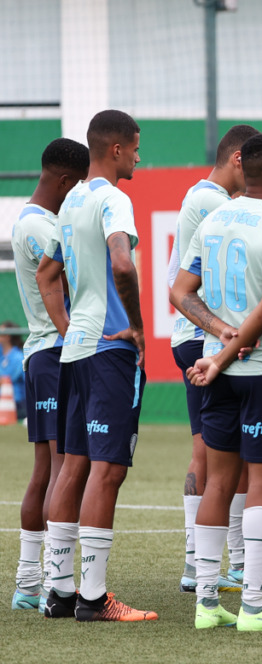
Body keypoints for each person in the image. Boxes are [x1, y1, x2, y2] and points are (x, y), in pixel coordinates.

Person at [173, 133, 262, 630]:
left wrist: (217, 337)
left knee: (221, 480)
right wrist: (232, 346)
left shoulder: (213, 218)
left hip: (215, 369)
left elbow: (180, 291)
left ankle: (207, 604)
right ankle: (255, 604)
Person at [38, 109, 153, 622]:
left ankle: (60, 593)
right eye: (134, 148)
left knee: (74, 464)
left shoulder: (70, 202)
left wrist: (67, 326)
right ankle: (92, 598)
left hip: (77, 347)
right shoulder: (112, 197)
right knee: (106, 470)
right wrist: (136, 325)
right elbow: (123, 262)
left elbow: (48, 273)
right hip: (110, 348)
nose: (138, 156)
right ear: (115, 150)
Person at [168, 123, 257, 593]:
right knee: (212, 450)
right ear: (239, 159)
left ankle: (208, 560)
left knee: (217, 450)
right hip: (203, 333)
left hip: (202, 332)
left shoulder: (202, 198)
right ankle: (199, 561)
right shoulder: (211, 202)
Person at [9, 138, 88, 611]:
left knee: (46, 468)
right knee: (63, 467)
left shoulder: (30, 218)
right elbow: (69, 286)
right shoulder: (42, 226)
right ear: (64, 181)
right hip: (55, 354)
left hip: (41, 355)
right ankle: (56, 583)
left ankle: (27, 583)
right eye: (76, 187)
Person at [0, 323, 25, 422]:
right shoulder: (2, 355)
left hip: (17, 403)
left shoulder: (18, 357)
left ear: (7, 336)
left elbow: (6, 380)